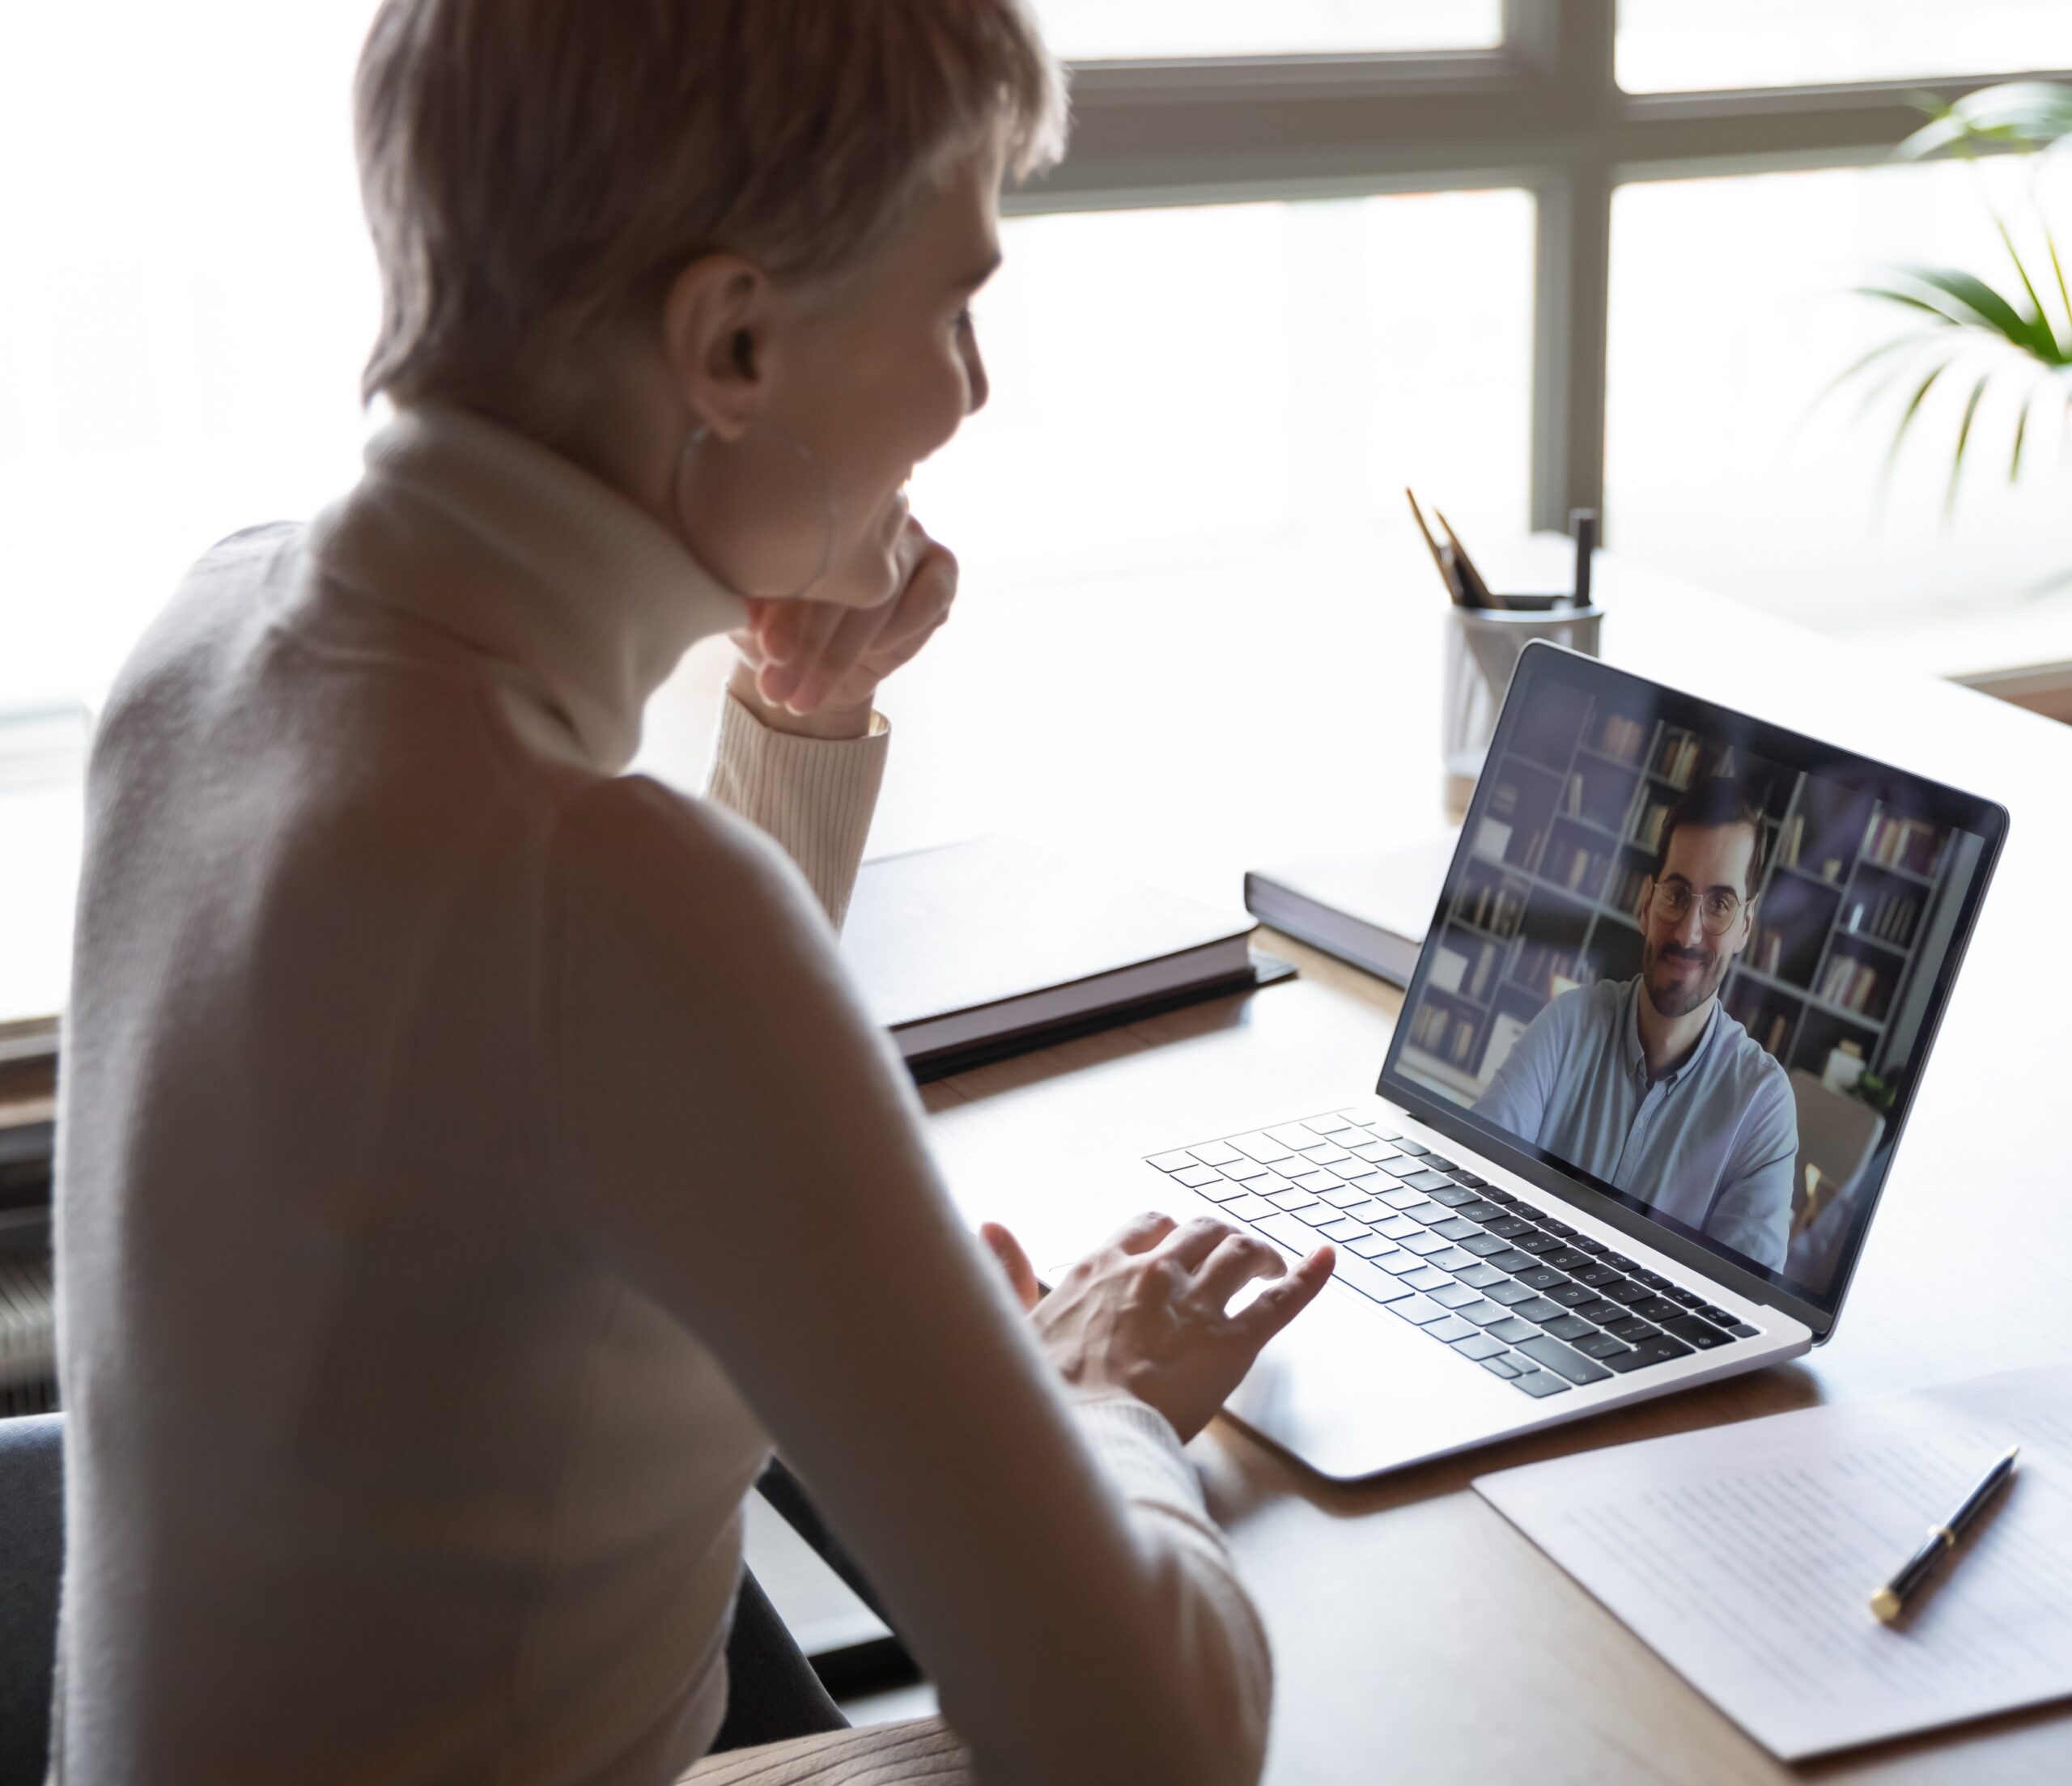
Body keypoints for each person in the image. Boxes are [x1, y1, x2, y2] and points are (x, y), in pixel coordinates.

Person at [49, 5, 1335, 1784]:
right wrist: (1102, 1401)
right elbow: (1159, 1739)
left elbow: (591, 1106)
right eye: (951, 307)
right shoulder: (606, 900)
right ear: (731, 341)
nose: (975, 385)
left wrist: (794, 726)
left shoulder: (208, 642)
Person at [1473, 778, 1798, 1269]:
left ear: (1745, 929)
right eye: (1677, 894)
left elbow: (1741, 1303)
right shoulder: (1568, 1024)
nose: (1689, 931)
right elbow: (1475, 1182)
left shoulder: (1763, 1104)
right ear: (1647, 904)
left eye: (1719, 904)